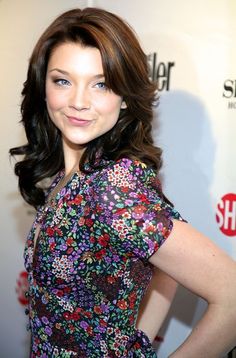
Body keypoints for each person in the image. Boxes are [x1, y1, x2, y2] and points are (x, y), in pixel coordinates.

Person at [10, 7, 236, 358]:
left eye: (101, 84)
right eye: (63, 80)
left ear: (125, 96)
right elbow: (166, 270)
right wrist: (137, 345)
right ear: (43, 87)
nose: (79, 101)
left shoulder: (112, 188)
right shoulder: (72, 175)